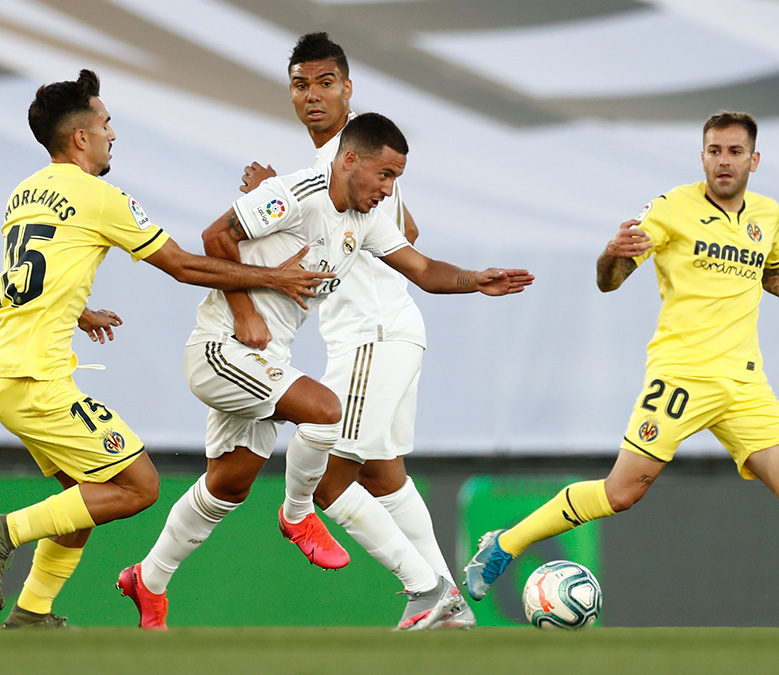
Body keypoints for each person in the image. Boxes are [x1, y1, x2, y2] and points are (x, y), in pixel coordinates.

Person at [463, 111, 779, 631]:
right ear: (702, 157)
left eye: (735, 151)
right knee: (621, 493)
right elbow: (610, 280)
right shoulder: (671, 208)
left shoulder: (767, 214)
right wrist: (610, 253)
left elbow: (772, 275)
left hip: (744, 382)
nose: (724, 161)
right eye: (715, 151)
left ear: (754, 160)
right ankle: (504, 544)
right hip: (681, 376)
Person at [117, 112, 534, 631]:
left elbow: (423, 269)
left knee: (229, 484)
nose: (389, 189)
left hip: (264, 360)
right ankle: (303, 518)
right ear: (350, 159)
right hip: (222, 348)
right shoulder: (296, 193)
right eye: (385, 175)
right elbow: (215, 235)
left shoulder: (366, 219)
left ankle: (149, 579)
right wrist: (246, 312)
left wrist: (475, 279)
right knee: (324, 411)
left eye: (396, 178)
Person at [0, 69, 332, 629]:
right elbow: (181, 265)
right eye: (106, 123)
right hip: (34, 377)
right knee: (138, 486)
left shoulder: (26, 191)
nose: (113, 134)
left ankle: (32, 614)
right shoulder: (98, 196)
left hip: (1, 366)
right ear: (81, 137)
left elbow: (31, 271)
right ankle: (1, 532)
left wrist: (78, 311)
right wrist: (272, 278)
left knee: (84, 497)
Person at [234, 32, 476, 630]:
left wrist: (270, 196)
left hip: (372, 333)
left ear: (348, 88)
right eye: (301, 85)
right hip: (387, 330)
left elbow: (399, 236)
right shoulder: (365, 155)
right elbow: (407, 230)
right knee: (383, 473)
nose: (313, 96)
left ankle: (427, 592)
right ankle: (450, 604)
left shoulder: (349, 161)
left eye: (325, 83)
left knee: (327, 482)